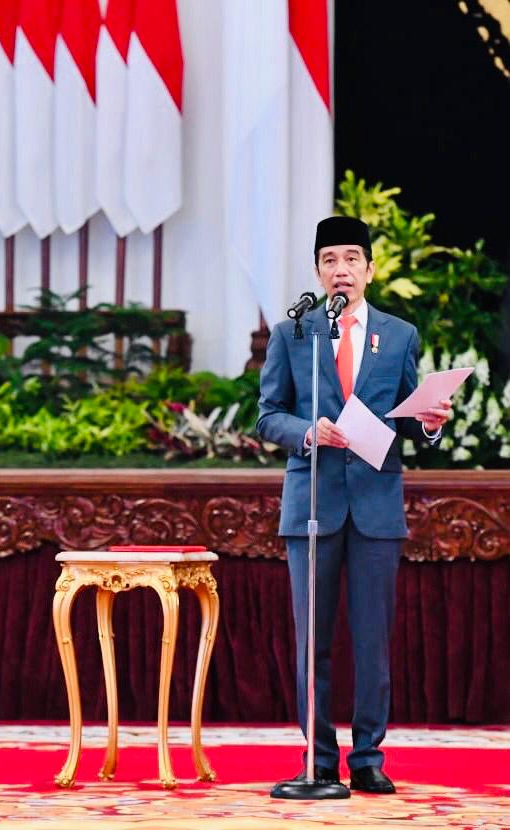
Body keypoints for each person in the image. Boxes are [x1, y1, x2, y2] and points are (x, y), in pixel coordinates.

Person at [256, 216, 451, 797]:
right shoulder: (294, 332)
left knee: (372, 642)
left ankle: (368, 758)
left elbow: (409, 417)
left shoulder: (399, 335)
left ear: (370, 268)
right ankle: (318, 759)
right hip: (312, 504)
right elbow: (268, 415)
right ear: (318, 270)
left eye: (350, 259)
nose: (340, 270)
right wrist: (306, 432)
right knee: (311, 642)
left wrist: (429, 423)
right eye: (329, 260)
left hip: (375, 506)